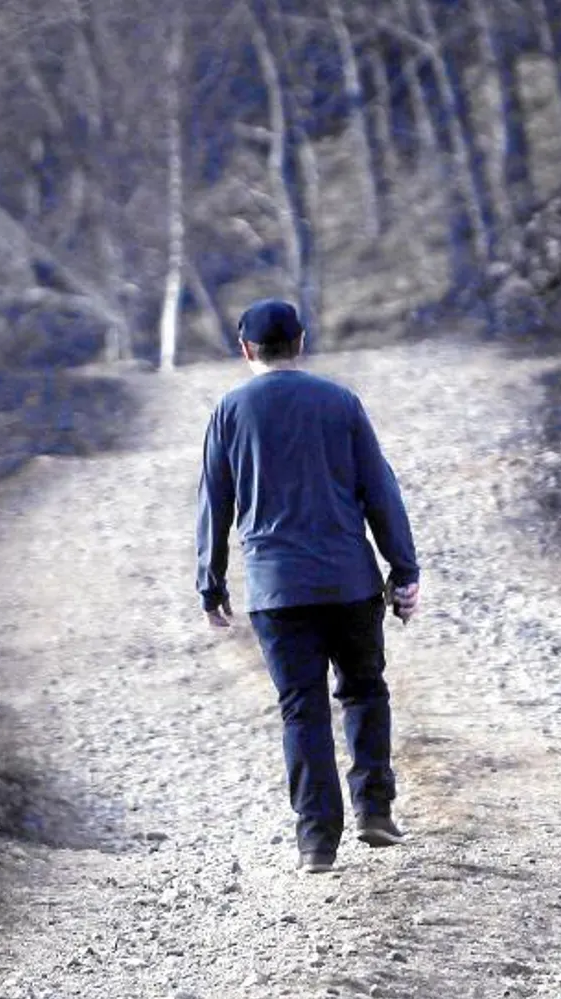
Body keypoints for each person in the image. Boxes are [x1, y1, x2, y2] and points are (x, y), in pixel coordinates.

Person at [196, 299, 421, 874]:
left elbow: (214, 504)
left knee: (302, 710)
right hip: (349, 580)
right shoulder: (341, 403)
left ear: (245, 349)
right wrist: (404, 569)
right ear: (302, 340)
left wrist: (211, 580)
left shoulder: (229, 411)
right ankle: (374, 810)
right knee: (365, 690)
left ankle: (316, 843)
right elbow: (380, 489)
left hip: (277, 591)